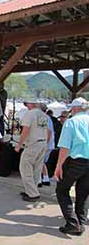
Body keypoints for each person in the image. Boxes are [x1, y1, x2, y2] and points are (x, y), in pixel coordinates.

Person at [54, 97, 89, 236]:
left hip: (76, 160)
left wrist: (59, 166)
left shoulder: (71, 122)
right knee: (83, 192)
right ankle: (81, 220)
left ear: (74, 109)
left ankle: (73, 223)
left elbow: (65, 147)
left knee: (62, 190)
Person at [15, 99, 50, 202]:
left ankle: (32, 193)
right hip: (42, 143)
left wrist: (19, 145)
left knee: (25, 167)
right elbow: (47, 130)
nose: (26, 106)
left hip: (33, 143)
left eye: (27, 103)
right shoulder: (42, 114)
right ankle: (31, 190)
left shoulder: (30, 114)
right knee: (37, 168)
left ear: (31, 104)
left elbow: (25, 130)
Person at [38, 104, 55, 187]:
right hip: (49, 144)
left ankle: (39, 180)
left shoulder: (44, 118)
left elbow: (48, 132)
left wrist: (45, 143)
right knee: (41, 161)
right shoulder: (48, 118)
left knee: (38, 161)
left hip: (46, 144)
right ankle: (45, 178)